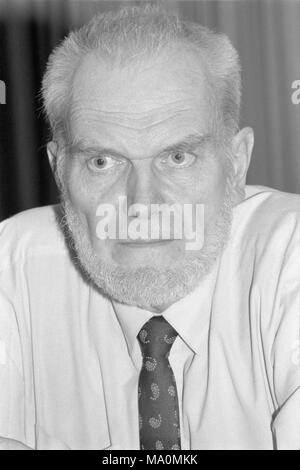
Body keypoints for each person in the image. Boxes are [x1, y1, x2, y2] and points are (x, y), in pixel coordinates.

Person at [0, 3, 299, 450]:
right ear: (59, 171)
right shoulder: (13, 266)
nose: (141, 205)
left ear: (236, 164)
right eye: (102, 162)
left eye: (177, 157)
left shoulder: (288, 257)